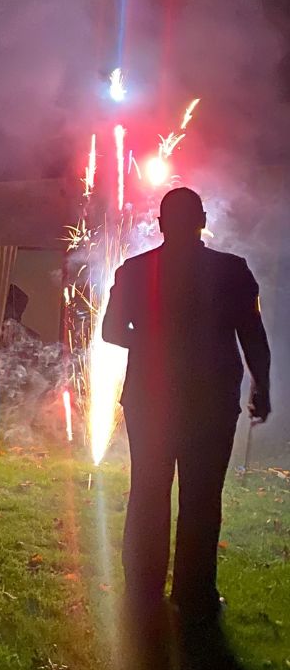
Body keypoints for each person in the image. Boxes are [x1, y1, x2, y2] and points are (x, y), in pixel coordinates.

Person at [103, 186, 271, 627]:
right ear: (203, 221)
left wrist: (153, 339)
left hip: (150, 398)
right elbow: (252, 335)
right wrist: (262, 385)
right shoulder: (232, 270)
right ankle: (194, 593)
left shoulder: (135, 270)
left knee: (148, 491)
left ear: (160, 224)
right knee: (202, 498)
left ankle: (143, 589)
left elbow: (111, 331)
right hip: (211, 401)